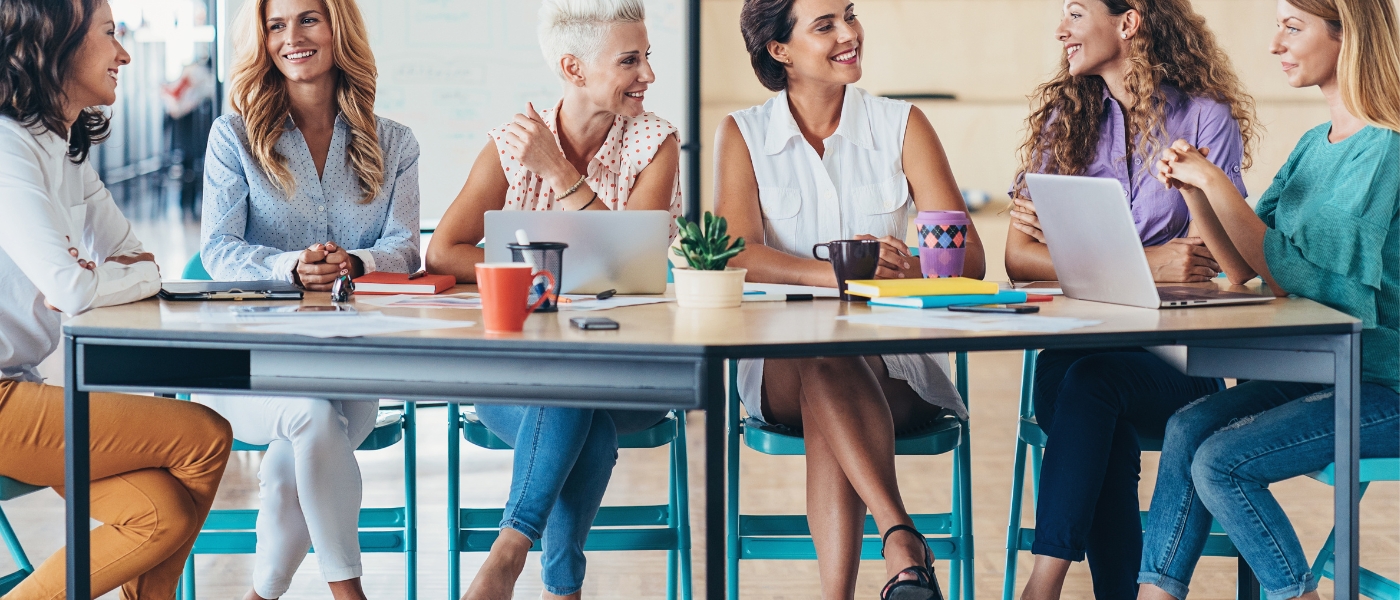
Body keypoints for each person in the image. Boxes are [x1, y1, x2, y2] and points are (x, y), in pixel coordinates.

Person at [714, 0, 987, 597]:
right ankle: (902, 540)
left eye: (850, 15)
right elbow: (734, 252)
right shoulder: (743, 134)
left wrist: (903, 267)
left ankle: (851, 583)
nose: (849, 34)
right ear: (779, 51)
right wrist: (835, 273)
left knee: (831, 368)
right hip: (781, 371)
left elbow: (967, 260)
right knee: (821, 354)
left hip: (897, 373)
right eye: (826, 25)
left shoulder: (902, 125)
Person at [1139, 0, 1400, 597]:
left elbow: (1322, 289)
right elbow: (1247, 267)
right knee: (1188, 428)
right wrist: (1197, 192)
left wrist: (1214, 179)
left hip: (1385, 385)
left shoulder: (1386, 148)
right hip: (1332, 373)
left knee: (1222, 462)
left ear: (1347, 37)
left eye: (1292, 27)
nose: (1276, 44)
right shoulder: (1315, 143)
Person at [1005, 2, 1262, 599]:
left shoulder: (1205, 119)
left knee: (1093, 390)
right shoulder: (1064, 122)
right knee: (1092, 400)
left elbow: (1223, 264)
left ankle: (1041, 586)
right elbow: (1019, 257)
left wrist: (1078, 259)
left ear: (1130, 21)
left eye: (1075, 11)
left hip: (1176, 364)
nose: (1061, 28)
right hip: (1075, 359)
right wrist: (1153, 260)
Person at [424, 1, 674, 598]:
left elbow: (628, 265)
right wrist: (544, 274)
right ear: (574, 67)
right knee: (574, 403)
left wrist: (561, 176)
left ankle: (508, 553)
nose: (648, 75)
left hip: (633, 375)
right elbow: (443, 252)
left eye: (647, 57)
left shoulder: (655, 143)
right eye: (630, 60)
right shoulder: (513, 143)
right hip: (520, 376)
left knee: (575, 389)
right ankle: (560, 585)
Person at [0, 0, 233, 598]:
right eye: (109, 35)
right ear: (55, 43)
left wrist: (104, 278)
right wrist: (95, 278)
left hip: (18, 386)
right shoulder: (6, 147)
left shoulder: (61, 145)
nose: (125, 54)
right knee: (204, 435)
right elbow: (74, 287)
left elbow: (134, 258)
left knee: (163, 513)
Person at [197, 0, 420, 597]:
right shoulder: (233, 136)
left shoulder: (394, 143)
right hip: (246, 366)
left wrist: (357, 262)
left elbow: (405, 248)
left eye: (308, 19)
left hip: (350, 365)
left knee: (288, 460)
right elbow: (218, 249)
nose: (292, 37)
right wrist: (289, 267)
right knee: (309, 417)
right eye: (275, 25)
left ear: (337, 27)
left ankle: (259, 594)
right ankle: (349, 593)